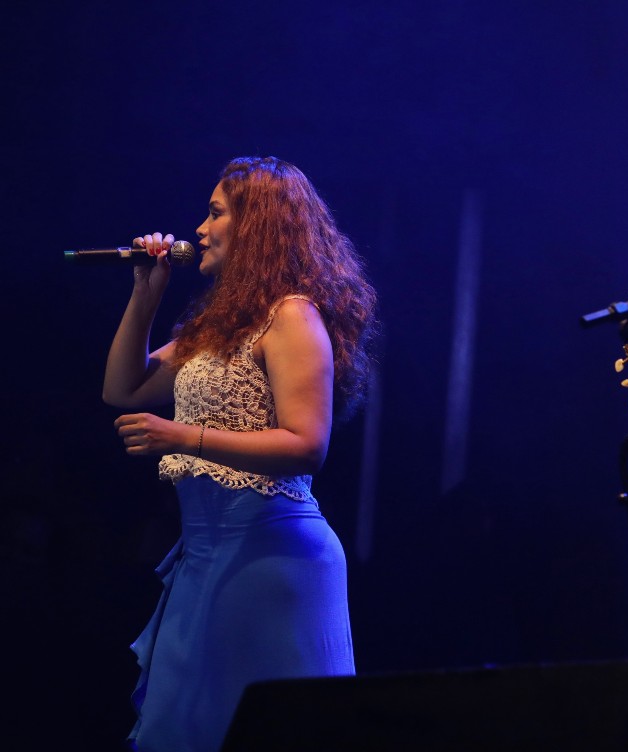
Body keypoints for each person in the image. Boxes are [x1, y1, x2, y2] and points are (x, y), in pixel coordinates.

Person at [103, 156, 377, 752]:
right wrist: (146, 294)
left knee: (268, 731)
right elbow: (122, 389)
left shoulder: (292, 315)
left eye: (215, 213)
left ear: (256, 225)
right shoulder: (219, 324)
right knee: (185, 729)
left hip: (272, 556)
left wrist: (184, 437)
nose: (199, 230)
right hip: (205, 558)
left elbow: (307, 444)